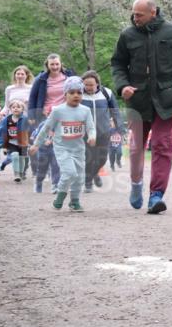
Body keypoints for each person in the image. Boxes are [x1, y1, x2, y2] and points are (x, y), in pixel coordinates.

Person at [111, 0, 172, 214]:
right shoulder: (127, 35)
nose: (135, 18)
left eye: (139, 14)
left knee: (163, 145)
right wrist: (123, 87)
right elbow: (118, 64)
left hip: (167, 98)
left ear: (153, 12)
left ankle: (156, 195)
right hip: (138, 100)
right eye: (133, 13)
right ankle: (136, 184)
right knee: (136, 148)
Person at [29, 77, 95, 211]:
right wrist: (36, 144)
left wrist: (92, 136)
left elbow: (91, 127)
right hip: (62, 148)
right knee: (70, 173)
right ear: (65, 95)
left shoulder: (85, 111)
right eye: (72, 92)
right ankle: (60, 195)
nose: (76, 95)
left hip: (78, 149)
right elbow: (46, 128)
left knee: (80, 177)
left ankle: (74, 201)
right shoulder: (58, 111)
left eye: (79, 92)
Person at [27, 54, 74, 185]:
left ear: (61, 64)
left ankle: (60, 173)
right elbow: (32, 97)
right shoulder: (41, 79)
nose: (54, 67)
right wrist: (31, 115)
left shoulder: (69, 77)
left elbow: (77, 92)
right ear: (47, 65)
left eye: (57, 64)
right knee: (45, 144)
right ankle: (46, 169)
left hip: (65, 114)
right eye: (52, 64)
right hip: (46, 115)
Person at [80, 71, 121, 192]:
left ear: (97, 84)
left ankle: (95, 173)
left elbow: (115, 111)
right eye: (86, 85)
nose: (88, 87)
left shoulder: (106, 93)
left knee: (102, 158)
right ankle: (88, 183)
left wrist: (119, 129)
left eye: (91, 85)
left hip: (103, 131)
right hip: (85, 133)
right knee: (88, 157)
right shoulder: (79, 94)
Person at [0, 99, 31, 182]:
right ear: (10, 109)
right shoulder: (6, 120)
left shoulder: (25, 119)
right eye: (13, 107)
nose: (16, 109)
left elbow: (31, 131)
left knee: (22, 158)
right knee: (14, 155)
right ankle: (16, 174)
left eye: (18, 107)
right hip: (11, 143)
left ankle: (21, 173)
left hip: (23, 143)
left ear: (22, 109)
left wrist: (31, 142)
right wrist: (3, 145)